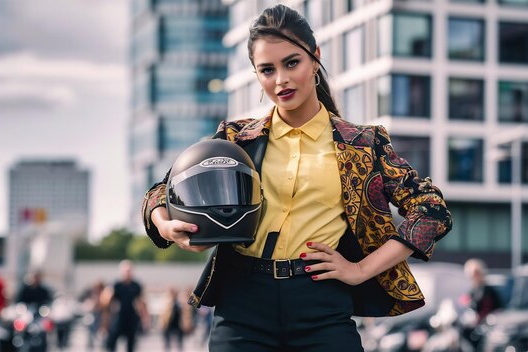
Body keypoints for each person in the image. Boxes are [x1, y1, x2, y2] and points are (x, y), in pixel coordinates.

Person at [142, 4, 452, 351]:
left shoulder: (362, 144)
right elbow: (159, 191)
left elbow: (431, 210)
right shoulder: (236, 139)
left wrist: (361, 269)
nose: (281, 80)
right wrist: (168, 226)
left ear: (315, 58)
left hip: (322, 303)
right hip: (243, 304)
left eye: (292, 63)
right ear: (256, 75)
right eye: (267, 70)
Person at [102, 260, 146, 352]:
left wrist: (144, 318)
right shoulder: (116, 284)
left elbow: (141, 302)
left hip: (131, 317)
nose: (128, 273)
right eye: (126, 270)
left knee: (131, 344)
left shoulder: (136, 285)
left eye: (129, 270)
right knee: (112, 343)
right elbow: (105, 301)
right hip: (118, 317)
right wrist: (105, 320)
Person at [464, 258, 502, 323]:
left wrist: (478, 319)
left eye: (475, 273)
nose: (472, 276)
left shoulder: (486, 290)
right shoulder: (474, 289)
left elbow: (487, 308)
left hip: (488, 321)